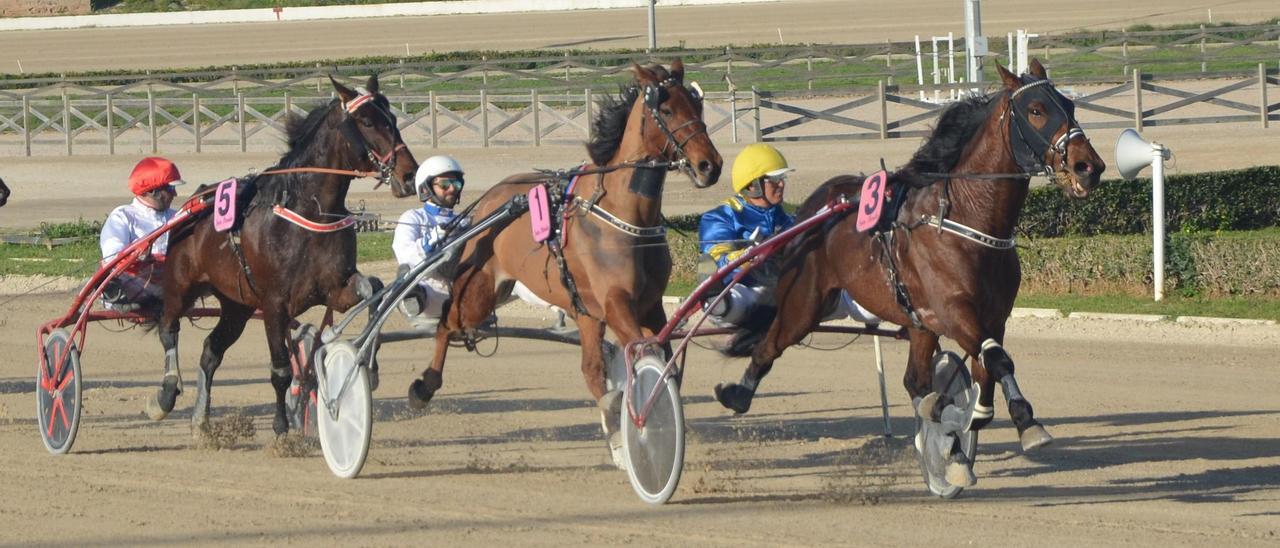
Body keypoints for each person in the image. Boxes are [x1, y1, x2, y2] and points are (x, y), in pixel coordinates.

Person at [698, 144, 877, 326]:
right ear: (752, 186)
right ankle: (715, 302)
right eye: (775, 179)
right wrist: (756, 254)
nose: (782, 184)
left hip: (791, 292)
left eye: (782, 177)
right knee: (737, 300)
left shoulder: (790, 220)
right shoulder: (720, 217)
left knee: (865, 306)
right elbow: (718, 260)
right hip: (747, 289)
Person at [392, 155, 563, 330]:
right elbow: (405, 255)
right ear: (426, 188)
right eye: (444, 185)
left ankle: (565, 302)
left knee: (518, 277)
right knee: (405, 273)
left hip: (471, 292)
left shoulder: (466, 221)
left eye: (456, 184)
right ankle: (409, 299)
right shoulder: (413, 217)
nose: (452, 189)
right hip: (431, 295)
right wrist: (435, 237)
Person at [99, 156, 185, 312]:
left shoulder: (177, 216)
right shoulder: (123, 216)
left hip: (169, 284)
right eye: (171, 189)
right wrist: (138, 256)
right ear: (152, 191)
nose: (175, 194)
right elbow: (111, 255)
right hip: (132, 285)